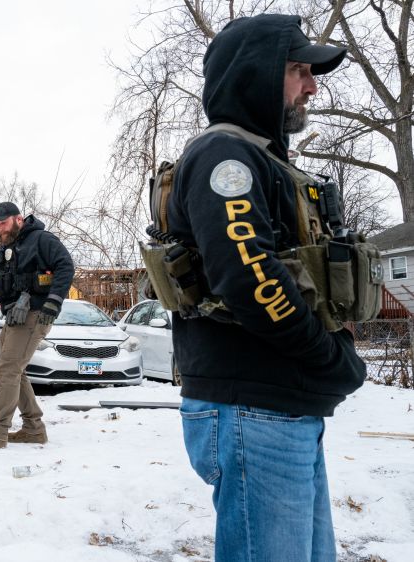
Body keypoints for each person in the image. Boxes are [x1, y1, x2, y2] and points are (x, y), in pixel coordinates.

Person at [166, 15, 367, 561]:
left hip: (277, 405)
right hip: (253, 410)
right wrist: (327, 356)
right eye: (299, 70)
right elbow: (250, 278)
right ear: (255, 75)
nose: (312, 85)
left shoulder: (263, 158)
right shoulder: (225, 158)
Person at [0, 202, 74, 448]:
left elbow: (66, 266)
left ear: (19, 219)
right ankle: (33, 428)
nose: (0, 228)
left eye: (4, 223)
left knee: (8, 370)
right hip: (12, 317)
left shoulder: (41, 240)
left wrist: (53, 303)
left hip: (35, 314)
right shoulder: (0, 252)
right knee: (15, 371)